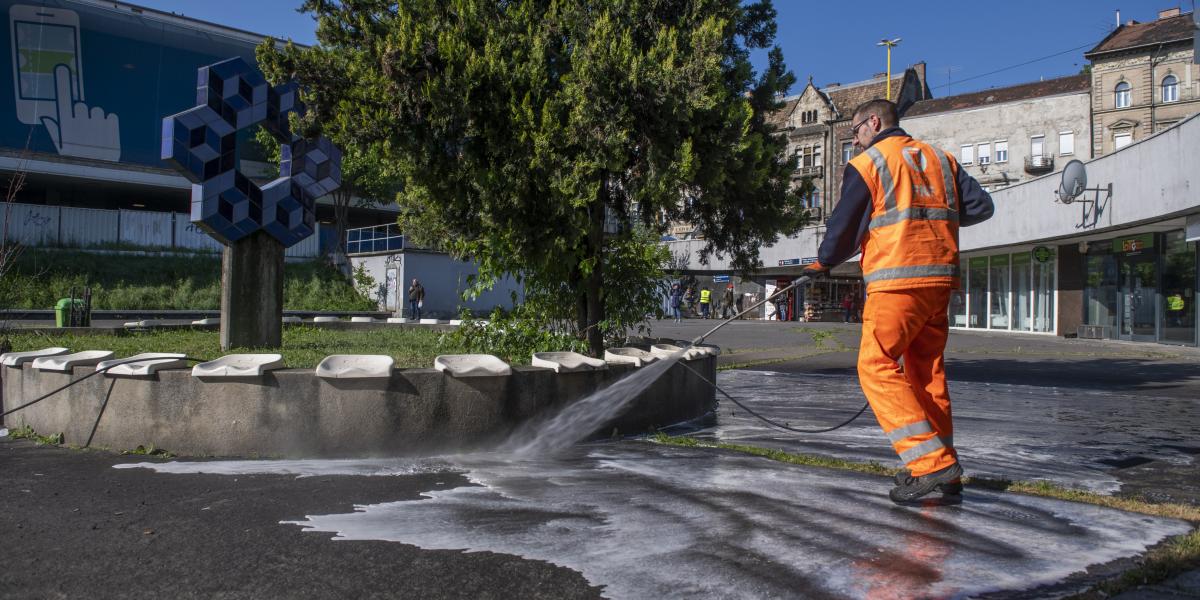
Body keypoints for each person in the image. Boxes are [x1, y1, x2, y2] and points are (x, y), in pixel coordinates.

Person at [804, 99, 994, 505]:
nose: (854, 140)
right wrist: (928, 220)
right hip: (939, 282)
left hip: (897, 281)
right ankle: (945, 467)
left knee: (875, 366)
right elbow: (981, 206)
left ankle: (931, 465)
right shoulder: (940, 159)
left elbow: (842, 229)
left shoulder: (870, 163)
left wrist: (823, 262)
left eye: (855, 131)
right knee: (926, 375)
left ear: (874, 122)